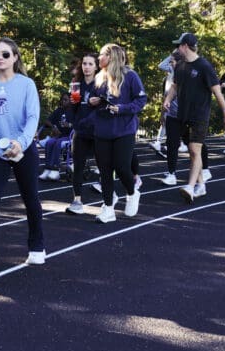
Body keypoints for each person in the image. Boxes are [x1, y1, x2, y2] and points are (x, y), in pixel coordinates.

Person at [0, 37, 46, 264]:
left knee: (31, 199)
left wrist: (21, 143)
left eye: (5, 54)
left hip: (22, 150)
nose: (0, 58)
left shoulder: (27, 84)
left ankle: (37, 247)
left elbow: (33, 116)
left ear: (15, 57)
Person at [164, 33, 225, 203]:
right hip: (183, 115)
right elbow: (175, 86)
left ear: (185, 46)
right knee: (193, 152)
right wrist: (167, 99)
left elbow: (217, 92)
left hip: (200, 115)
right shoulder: (179, 66)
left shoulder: (204, 66)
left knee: (195, 150)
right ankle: (201, 185)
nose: (177, 48)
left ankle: (190, 186)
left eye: (179, 45)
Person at [90, 43, 147, 222]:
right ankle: (108, 209)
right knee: (104, 170)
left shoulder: (130, 76)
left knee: (122, 166)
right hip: (102, 130)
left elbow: (141, 100)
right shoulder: (99, 78)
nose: (98, 58)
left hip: (124, 129)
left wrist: (122, 108)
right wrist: (93, 101)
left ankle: (132, 192)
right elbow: (97, 100)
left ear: (111, 57)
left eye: (101, 55)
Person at [66, 52, 100, 214]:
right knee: (78, 165)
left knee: (105, 165)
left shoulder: (101, 84)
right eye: (84, 64)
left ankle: (110, 195)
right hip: (81, 131)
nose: (86, 67)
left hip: (98, 131)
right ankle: (77, 199)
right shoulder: (76, 84)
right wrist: (73, 116)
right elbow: (73, 107)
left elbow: (103, 108)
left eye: (90, 64)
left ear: (96, 67)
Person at [37, 92, 75, 180]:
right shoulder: (58, 110)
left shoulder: (74, 111)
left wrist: (68, 125)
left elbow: (78, 125)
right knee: (49, 143)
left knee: (57, 143)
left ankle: (55, 170)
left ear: (70, 101)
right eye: (62, 100)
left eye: (66, 100)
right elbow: (47, 121)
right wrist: (53, 127)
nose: (63, 101)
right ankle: (48, 168)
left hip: (68, 136)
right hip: (58, 136)